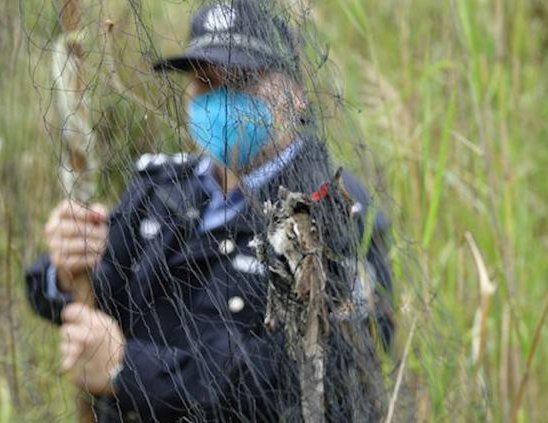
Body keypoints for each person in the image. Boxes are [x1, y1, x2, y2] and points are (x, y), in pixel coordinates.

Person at [26, 1, 394, 421]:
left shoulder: (333, 211)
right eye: (204, 83)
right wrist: (66, 264)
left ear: (296, 93)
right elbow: (91, 293)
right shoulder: (161, 188)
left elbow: (307, 379)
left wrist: (128, 370)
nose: (220, 101)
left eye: (240, 80)